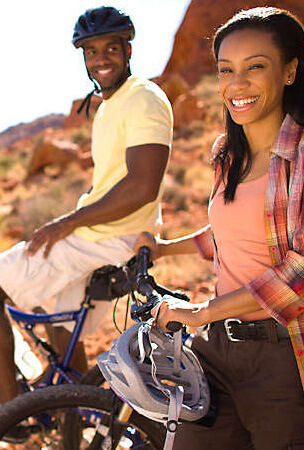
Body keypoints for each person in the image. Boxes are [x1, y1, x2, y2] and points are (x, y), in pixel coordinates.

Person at [134, 6, 304, 449]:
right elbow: (227, 235)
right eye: (225, 70)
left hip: (287, 358)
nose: (236, 84)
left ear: (290, 71)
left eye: (256, 67)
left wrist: (202, 313)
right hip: (218, 351)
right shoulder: (227, 155)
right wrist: (163, 249)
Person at [0, 5, 173, 442]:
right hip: (101, 235)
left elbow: (142, 186)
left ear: (127, 49)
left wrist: (67, 222)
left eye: (110, 48)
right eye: (91, 51)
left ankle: (12, 414)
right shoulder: (108, 105)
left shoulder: (143, 97)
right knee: (61, 335)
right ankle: (70, 431)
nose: (101, 59)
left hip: (103, 237)